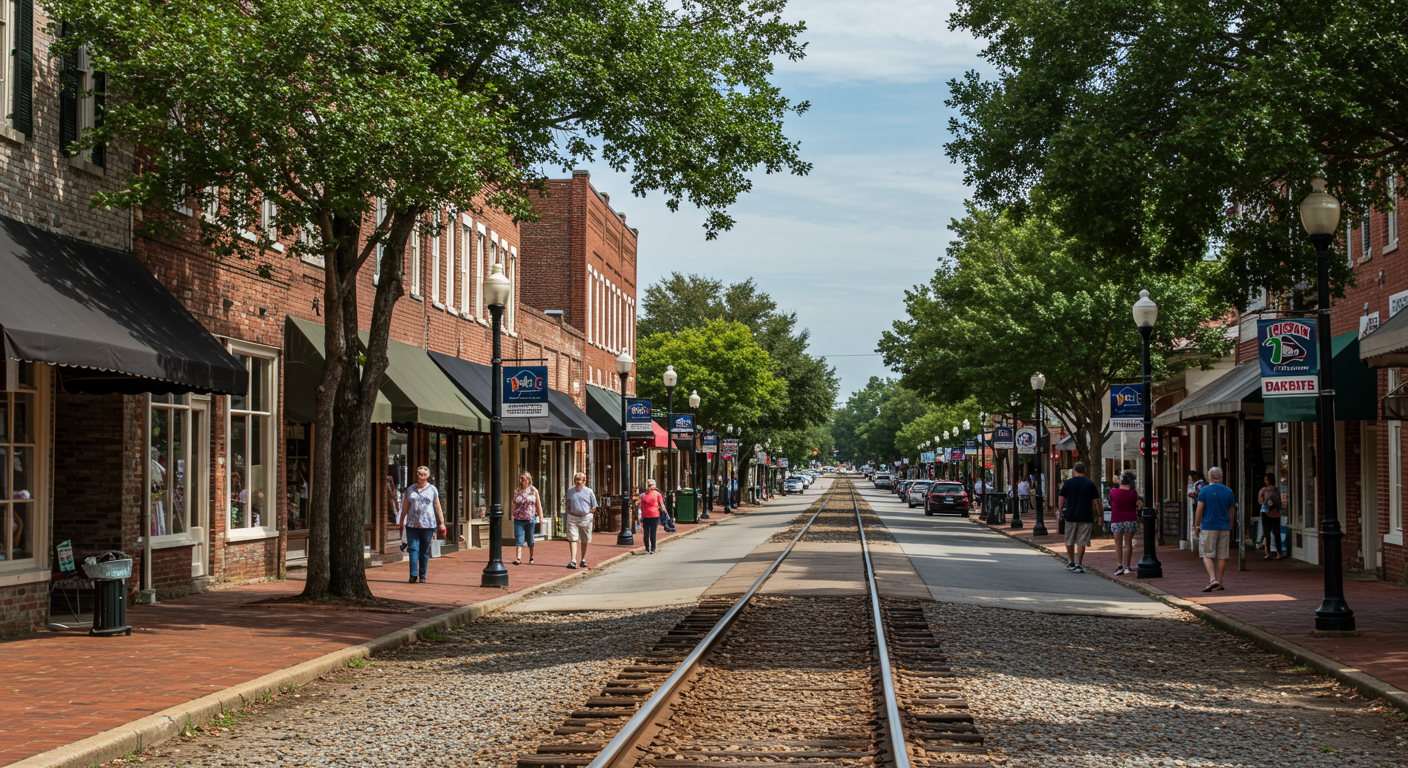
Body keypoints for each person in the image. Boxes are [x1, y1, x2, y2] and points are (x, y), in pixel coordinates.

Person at [399, 466, 446, 584]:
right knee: (413, 549)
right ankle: (413, 575)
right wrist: (401, 521)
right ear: (417, 475)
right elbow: (405, 506)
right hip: (412, 525)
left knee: (424, 551)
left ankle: (423, 575)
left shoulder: (433, 489)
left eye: (424, 473)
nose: (422, 475)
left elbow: (438, 507)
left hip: (428, 525)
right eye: (419, 473)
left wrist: (442, 523)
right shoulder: (410, 489)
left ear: (428, 475)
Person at [1195, 466, 1236, 591]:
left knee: (1207, 553)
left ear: (1210, 477)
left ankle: (1213, 579)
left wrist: (1196, 525)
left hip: (1208, 525)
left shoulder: (1204, 491)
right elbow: (1231, 510)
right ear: (1221, 477)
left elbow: (1199, 509)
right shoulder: (1228, 491)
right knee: (1222, 555)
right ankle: (1220, 582)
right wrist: (1231, 524)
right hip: (1224, 526)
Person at [1057, 462, 1100, 573]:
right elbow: (1097, 501)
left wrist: (1060, 511)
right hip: (1086, 516)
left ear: (1074, 471)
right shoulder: (1090, 484)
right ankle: (1079, 564)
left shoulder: (1068, 483)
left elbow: (1061, 498)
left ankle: (1071, 562)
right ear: (1084, 471)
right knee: (1082, 541)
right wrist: (1100, 515)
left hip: (1071, 515)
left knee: (1069, 540)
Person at [1108, 470, 1140, 575]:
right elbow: (1136, 504)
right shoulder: (1133, 493)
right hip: (1130, 518)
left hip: (1117, 518)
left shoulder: (1113, 492)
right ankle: (1128, 566)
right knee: (1128, 543)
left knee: (1117, 544)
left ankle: (1119, 566)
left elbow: (1111, 502)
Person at [564, 472, 597, 569]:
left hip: (585, 517)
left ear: (584, 481)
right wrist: (570, 512)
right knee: (573, 538)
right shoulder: (570, 491)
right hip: (573, 517)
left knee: (584, 539)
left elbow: (594, 506)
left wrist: (588, 513)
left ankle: (583, 559)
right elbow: (568, 502)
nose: (578, 481)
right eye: (576, 479)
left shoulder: (589, 492)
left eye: (580, 479)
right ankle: (573, 560)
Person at [511, 472, 541, 565]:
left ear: (529, 480)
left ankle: (531, 557)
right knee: (519, 538)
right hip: (518, 518)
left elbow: (538, 504)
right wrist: (513, 512)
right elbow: (513, 502)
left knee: (530, 539)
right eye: (522, 479)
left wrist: (541, 517)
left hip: (530, 518)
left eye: (525, 479)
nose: (523, 481)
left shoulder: (533, 491)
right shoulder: (517, 491)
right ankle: (518, 558)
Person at [1258, 473, 1284, 560]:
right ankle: (1271, 552)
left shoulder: (1267, 490)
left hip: (1269, 512)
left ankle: (1273, 553)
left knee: (1272, 533)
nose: (1265, 481)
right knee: (1270, 533)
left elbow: (1260, 500)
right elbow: (1261, 500)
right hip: (1270, 513)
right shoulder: (1272, 490)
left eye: (1267, 480)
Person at [639, 479, 666, 554]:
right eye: (649, 485)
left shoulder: (657, 494)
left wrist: (666, 514)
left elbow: (662, 504)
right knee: (646, 533)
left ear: (654, 486)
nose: (650, 487)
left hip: (654, 515)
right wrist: (640, 516)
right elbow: (641, 506)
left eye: (652, 485)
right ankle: (647, 548)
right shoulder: (643, 495)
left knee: (652, 532)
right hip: (645, 515)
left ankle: (653, 547)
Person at [1186, 469, 1205, 543]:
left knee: (1196, 519)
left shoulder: (1199, 484)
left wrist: (1193, 494)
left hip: (1198, 504)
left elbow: (1199, 493)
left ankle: (1197, 531)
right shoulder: (1199, 484)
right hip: (1196, 503)